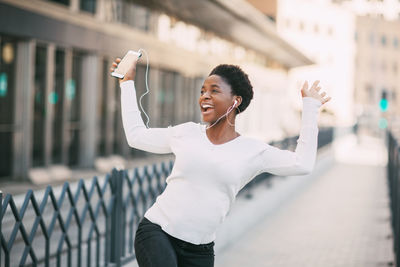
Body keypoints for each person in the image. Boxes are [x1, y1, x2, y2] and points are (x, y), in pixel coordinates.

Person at [110, 56, 331, 267]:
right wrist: (127, 83)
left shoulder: (252, 151)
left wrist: (310, 109)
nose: (204, 96)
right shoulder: (186, 133)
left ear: (236, 101)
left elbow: (302, 163)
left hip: (200, 249)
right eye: (202, 91)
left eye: (214, 91)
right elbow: (136, 136)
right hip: (157, 232)